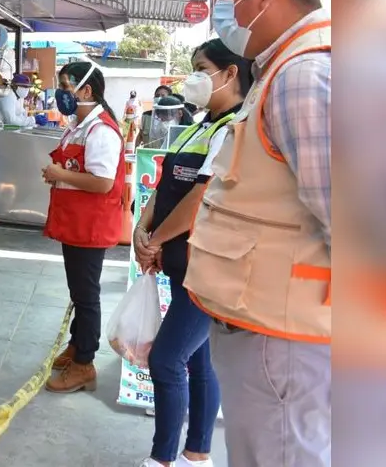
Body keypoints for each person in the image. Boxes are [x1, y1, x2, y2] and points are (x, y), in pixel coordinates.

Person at [184, 0, 330, 467]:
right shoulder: (283, 70)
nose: (221, 11)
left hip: (285, 338)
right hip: (270, 327)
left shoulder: (304, 75)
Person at [134, 39, 253, 467]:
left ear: (231, 73)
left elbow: (202, 198)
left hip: (208, 267)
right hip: (180, 263)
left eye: (202, 68)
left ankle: (162, 460)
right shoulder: (199, 125)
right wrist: (143, 229)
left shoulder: (234, 129)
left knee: (166, 361)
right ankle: (197, 454)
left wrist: (156, 240)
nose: (194, 78)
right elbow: (167, 186)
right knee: (199, 362)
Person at [42, 61, 126, 393]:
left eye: (66, 87)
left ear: (86, 90)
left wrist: (59, 174)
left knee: (87, 295)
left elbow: (103, 183)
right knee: (79, 291)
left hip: (89, 225)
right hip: (75, 222)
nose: (62, 94)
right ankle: (77, 344)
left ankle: (84, 364)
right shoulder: (80, 126)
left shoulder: (101, 131)